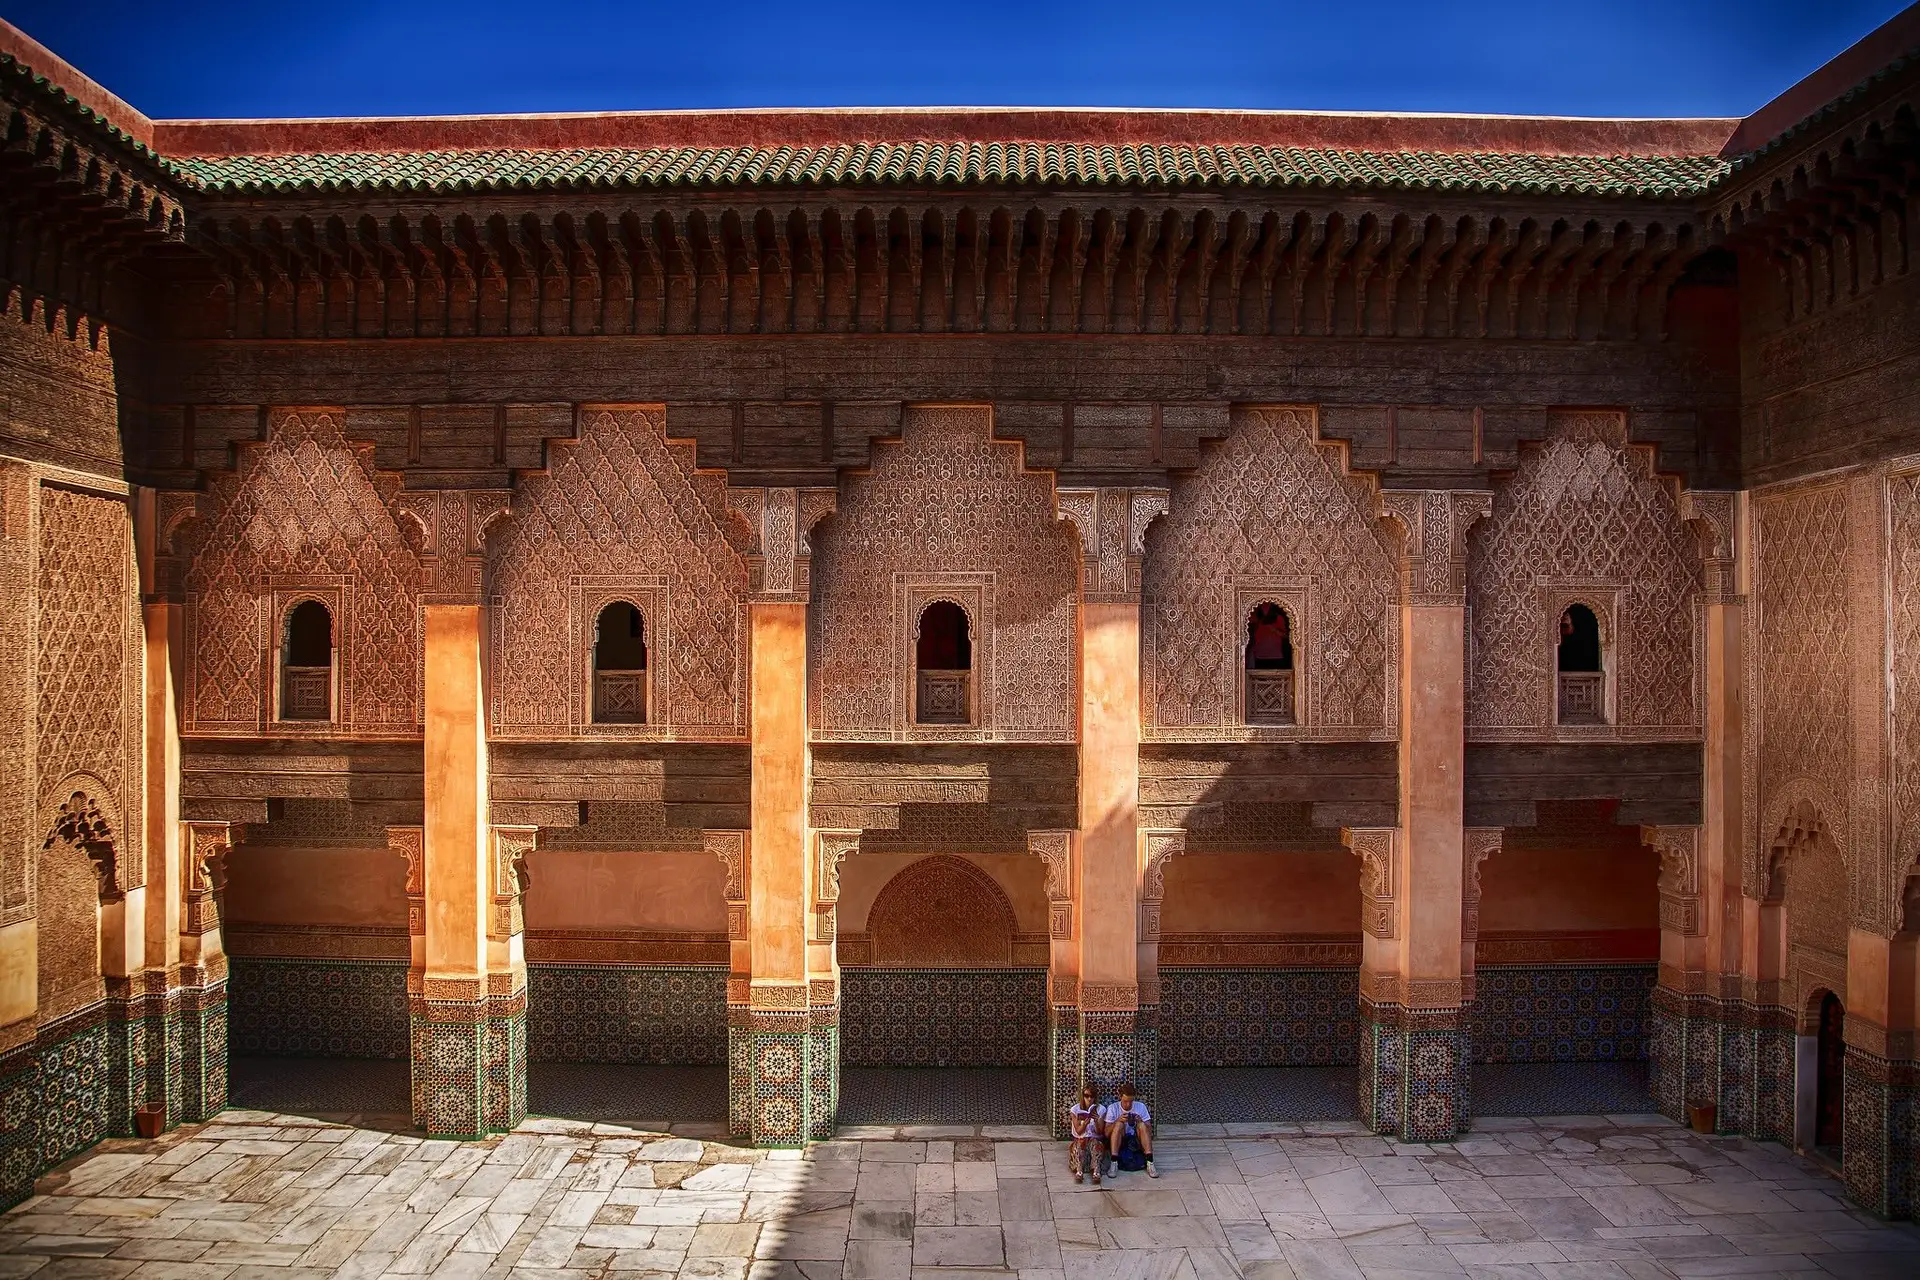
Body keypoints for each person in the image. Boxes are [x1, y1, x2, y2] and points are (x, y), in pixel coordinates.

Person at [1102, 1082, 1156, 1178]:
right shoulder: (1113, 1108)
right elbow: (1106, 1133)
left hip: (1136, 1140)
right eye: (1125, 1101)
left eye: (1131, 1101)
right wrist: (1117, 1121)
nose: (1128, 1104)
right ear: (1120, 1097)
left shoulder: (1140, 1106)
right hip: (1120, 1140)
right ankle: (1114, 1162)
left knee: (1142, 1125)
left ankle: (1150, 1162)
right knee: (1118, 1125)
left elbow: (1149, 1130)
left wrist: (1140, 1121)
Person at [1066, 1083, 1103, 1184]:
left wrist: (1096, 1120)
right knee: (1079, 1143)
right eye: (1087, 1096)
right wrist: (1085, 1124)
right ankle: (1079, 1171)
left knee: (1095, 1143)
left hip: (1093, 1139)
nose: (1089, 1099)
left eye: (1092, 1096)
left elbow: (1100, 1132)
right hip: (1080, 1138)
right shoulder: (1075, 1110)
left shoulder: (1101, 1109)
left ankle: (1096, 1172)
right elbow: (1078, 1131)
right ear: (1083, 1096)